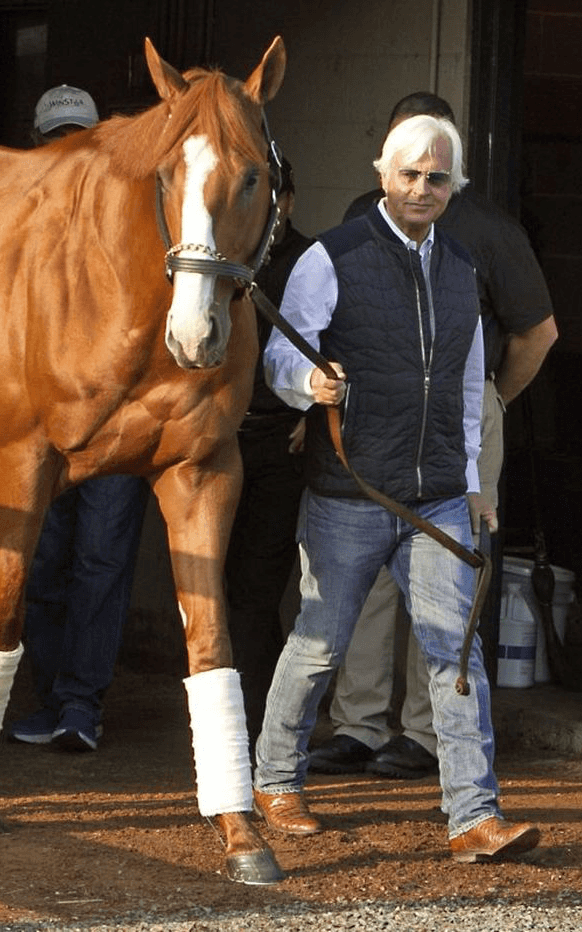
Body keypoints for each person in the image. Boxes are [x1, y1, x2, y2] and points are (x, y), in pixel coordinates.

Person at [252, 114, 541, 862]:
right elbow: (280, 359)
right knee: (319, 647)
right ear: (383, 172)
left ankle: (474, 816)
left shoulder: (462, 270)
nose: (422, 188)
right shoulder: (332, 256)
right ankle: (276, 780)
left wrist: (476, 484)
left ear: (454, 187)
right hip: (351, 493)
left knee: (457, 653)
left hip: (439, 496)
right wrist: (309, 382)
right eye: (410, 173)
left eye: (437, 177)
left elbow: (469, 391)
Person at [308, 92, 558, 780]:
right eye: (403, 160)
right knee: (368, 564)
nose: (417, 176)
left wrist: (491, 398)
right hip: (378, 406)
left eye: (430, 162)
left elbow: (539, 330)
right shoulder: (364, 216)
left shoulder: (486, 227)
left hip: (459, 409)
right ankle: (358, 724)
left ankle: (420, 733)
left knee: (442, 568)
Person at [7, 85, 151, 752]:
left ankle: (80, 705)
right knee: (41, 562)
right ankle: (51, 698)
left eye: (79, 139)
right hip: (42, 428)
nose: (66, 151)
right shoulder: (15, 228)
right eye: (54, 139)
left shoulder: (134, 223)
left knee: (101, 561)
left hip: (116, 425)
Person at [223, 157, 313, 752]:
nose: (270, 211)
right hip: (221, 439)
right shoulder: (223, 255)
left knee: (259, 585)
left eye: (278, 199)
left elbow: (335, 341)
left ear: (288, 201)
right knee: (218, 584)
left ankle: (263, 728)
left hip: (282, 439)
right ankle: (230, 720)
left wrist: (313, 411)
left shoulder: (313, 261)